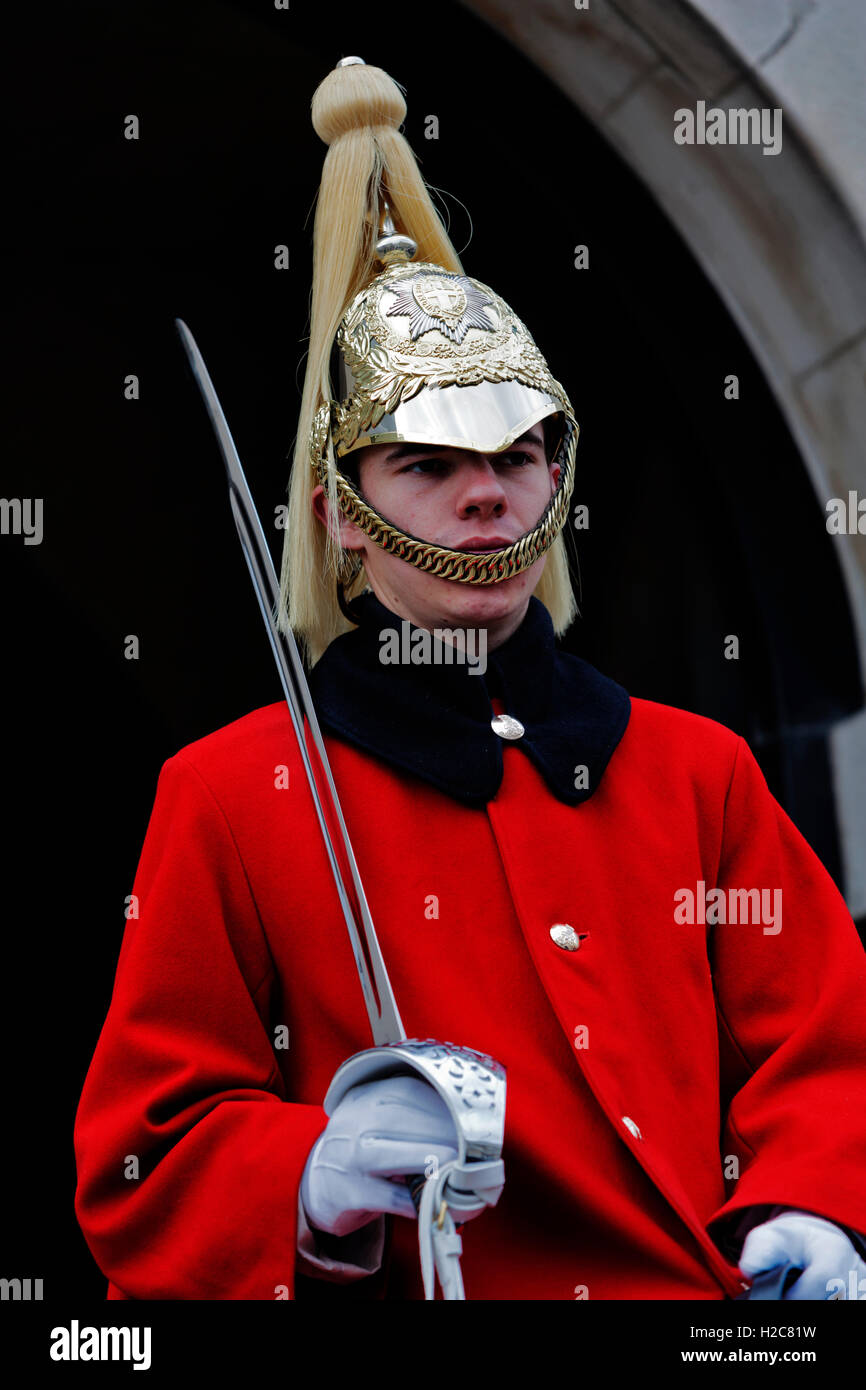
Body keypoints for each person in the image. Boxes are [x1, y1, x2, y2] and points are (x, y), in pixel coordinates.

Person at [73, 58, 866, 1302]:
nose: (485, 491)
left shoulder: (694, 770)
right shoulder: (227, 793)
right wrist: (303, 1174)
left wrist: (813, 1205)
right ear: (342, 515)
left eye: (518, 450)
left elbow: (822, 1050)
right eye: (425, 462)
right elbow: (146, 1152)